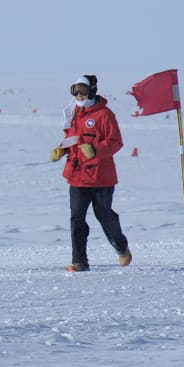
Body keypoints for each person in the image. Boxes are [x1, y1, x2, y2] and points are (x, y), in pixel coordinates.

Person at [49, 74, 133, 272]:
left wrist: (95, 150)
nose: (78, 95)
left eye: (82, 91)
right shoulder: (72, 113)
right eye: (75, 91)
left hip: (101, 176)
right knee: (76, 218)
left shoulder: (104, 115)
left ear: (92, 90)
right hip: (77, 175)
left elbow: (115, 142)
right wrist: (61, 150)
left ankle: (121, 248)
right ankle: (79, 261)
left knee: (104, 215)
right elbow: (72, 139)